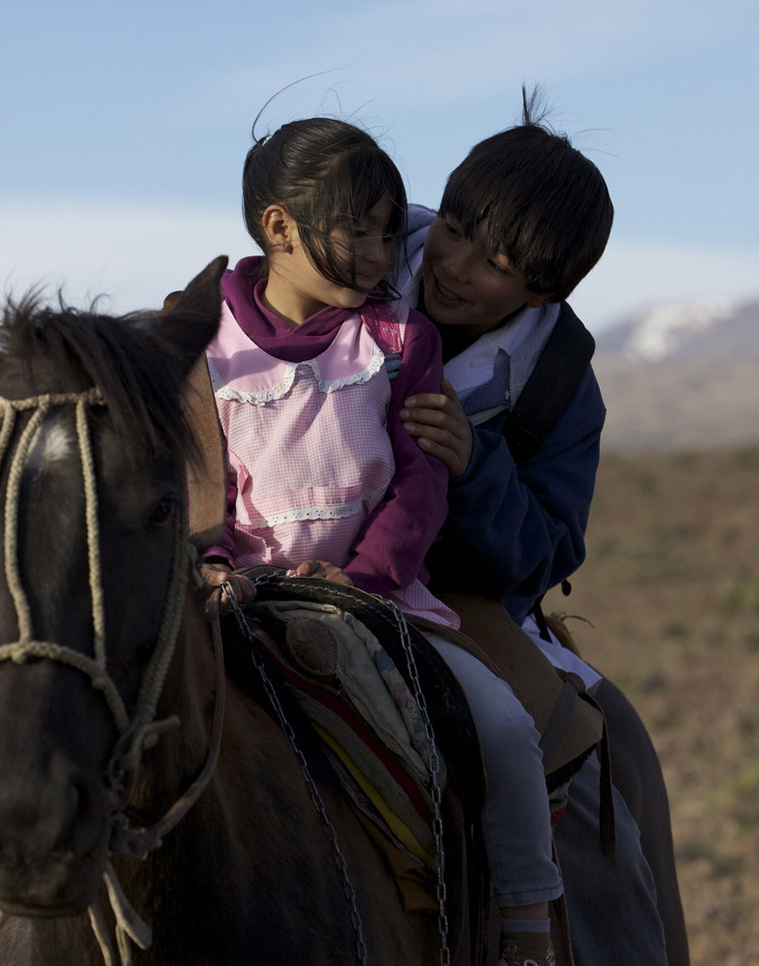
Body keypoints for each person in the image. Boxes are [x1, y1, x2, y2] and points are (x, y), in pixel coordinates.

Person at [197, 116, 562, 966]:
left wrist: (369, 576)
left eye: (388, 232)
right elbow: (194, 480)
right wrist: (214, 564)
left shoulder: (400, 340)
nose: (377, 254)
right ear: (278, 226)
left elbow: (418, 480)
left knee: (506, 727)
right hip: (235, 598)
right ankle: (2, 905)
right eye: (353, 230)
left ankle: (527, 929)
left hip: (378, 599)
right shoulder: (202, 346)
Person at [393, 90, 685, 965]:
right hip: (267, 555)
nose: (453, 264)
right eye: (453, 226)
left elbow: (547, 553)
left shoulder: (559, 384)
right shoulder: (356, 251)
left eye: (497, 262)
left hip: (452, 600)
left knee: (599, 749)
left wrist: (474, 472)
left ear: (542, 289)